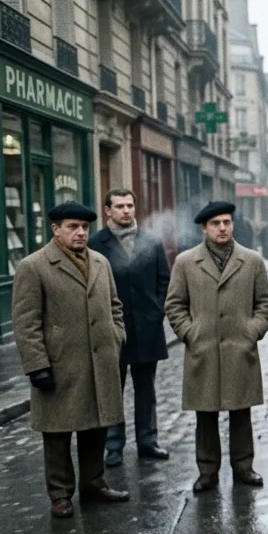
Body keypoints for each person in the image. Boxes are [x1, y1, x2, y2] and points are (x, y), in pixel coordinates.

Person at [12, 202, 130, 518]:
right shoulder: (34, 265)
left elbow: (115, 307)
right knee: (58, 432)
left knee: (96, 426)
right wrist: (36, 365)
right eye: (72, 227)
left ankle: (94, 484)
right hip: (60, 364)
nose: (80, 233)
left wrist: (116, 338)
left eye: (84, 227)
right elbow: (26, 321)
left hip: (100, 363)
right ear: (56, 229)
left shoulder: (101, 263)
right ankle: (61, 494)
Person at [166, 201, 268, 493]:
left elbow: (265, 302)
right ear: (204, 228)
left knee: (241, 412)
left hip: (240, 348)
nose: (222, 228)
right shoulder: (186, 262)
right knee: (205, 414)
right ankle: (207, 470)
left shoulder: (251, 261)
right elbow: (175, 304)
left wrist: (252, 331)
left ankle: (244, 466)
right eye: (215, 224)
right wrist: (191, 333)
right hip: (203, 350)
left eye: (227, 222)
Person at [89, 189, 171, 466]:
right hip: (111, 330)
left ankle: (148, 441)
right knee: (113, 390)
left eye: (130, 205)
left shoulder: (151, 241)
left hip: (147, 327)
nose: (126, 210)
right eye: (119, 206)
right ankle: (113, 445)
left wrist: (157, 310)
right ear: (108, 210)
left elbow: (164, 280)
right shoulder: (96, 244)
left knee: (146, 389)